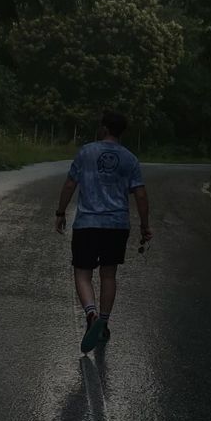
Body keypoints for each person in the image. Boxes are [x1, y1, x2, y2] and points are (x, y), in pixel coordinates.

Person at [55, 110, 152, 353]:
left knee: (82, 273)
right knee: (109, 275)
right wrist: (144, 225)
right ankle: (104, 323)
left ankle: (91, 315)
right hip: (117, 225)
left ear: (104, 128)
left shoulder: (86, 152)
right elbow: (140, 193)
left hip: (87, 223)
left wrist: (60, 212)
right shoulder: (130, 159)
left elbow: (69, 184)